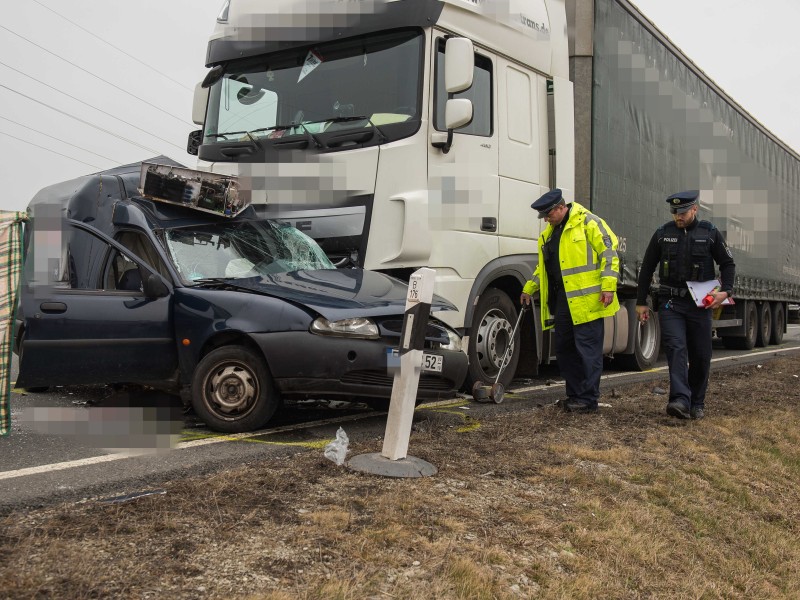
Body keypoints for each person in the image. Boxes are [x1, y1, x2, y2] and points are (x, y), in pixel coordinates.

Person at [635, 190, 735, 420]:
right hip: (671, 302)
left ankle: (696, 402)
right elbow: (647, 268)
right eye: (674, 212)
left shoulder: (709, 233)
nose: (678, 217)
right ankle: (679, 399)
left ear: (694, 209)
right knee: (676, 347)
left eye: (682, 212)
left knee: (701, 355)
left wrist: (726, 291)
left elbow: (728, 264)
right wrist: (641, 302)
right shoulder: (662, 234)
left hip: (700, 304)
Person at [520, 189, 620, 413]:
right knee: (565, 350)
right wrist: (530, 288)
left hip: (588, 301)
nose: (546, 219)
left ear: (560, 207)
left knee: (587, 351)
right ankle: (574, 395)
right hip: (563, 302)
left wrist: (608, 287)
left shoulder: (588, 222)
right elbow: (544, 268)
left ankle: (588, 399)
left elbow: (609, 254)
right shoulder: (549, 234)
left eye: (548, 214)